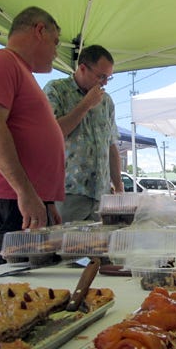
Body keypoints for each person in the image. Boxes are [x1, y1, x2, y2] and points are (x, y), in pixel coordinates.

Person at [0, 6, 65, 267]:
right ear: (39, 30)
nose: (57, 51)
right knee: (8, 293)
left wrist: (45, 199)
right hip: (5, 203)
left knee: (37, 290)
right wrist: (25, 191)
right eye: (55, 42)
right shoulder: (1, 61)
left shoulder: (23, 72)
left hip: (24, 201)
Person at [43, 45, 124, 222]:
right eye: (101, 76)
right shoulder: (56, 90)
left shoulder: (106, 101)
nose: (104, 83)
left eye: (108, 77)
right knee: (65, 246)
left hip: (100, 195)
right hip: (68, 193)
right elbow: (51, 135)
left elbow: (111, 145)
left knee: (96, 247)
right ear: (82, 68)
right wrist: (85, 105)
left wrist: (118, 186)